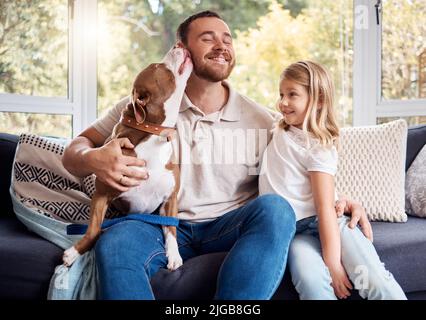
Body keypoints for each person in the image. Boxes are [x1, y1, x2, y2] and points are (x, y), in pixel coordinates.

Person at [62, 11, 372, 300]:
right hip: (159, 224)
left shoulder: (264, 121)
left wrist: (338, 199)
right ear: (182, 49)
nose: (221, 46)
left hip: (230, 226)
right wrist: (94, 160)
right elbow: (74, 151)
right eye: (208, 38)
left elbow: (303, 168)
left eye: (227, 39)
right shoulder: (143, 108)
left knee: (276, 210)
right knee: (116, 243)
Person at [259, 60, 406, 300]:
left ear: (317, 100)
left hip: (330, 222)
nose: (283, 102)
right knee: (311, 283)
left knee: (372, 278)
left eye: (292, 94)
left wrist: (334, 264)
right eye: (281, 94)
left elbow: (324, 207)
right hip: (294, 233)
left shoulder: (319, 146)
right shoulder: (279, 129)